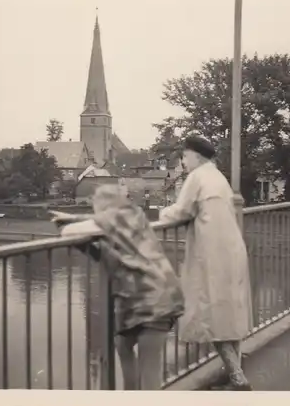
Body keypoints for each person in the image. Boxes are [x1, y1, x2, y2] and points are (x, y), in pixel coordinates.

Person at [52, 184, 185, 390]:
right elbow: (101, 224)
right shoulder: (135, 214)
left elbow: (69, 233)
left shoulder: (112, 219)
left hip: (151, 300)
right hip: (155, 295)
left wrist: (68, 224)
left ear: (103, 205)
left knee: (149, 365)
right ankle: (131, 399)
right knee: (123, 344)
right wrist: (73, 217)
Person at [158, 135, 254, 391]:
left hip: (211, 255)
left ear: (196, 156)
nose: (183, 161)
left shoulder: (197, 177)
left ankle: (238, 377)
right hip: (231, 250)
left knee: (212, 315)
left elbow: (182, 211)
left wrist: (162, 213)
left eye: (185, 156)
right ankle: (235, 371)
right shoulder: (219, 177)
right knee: (228, 314)